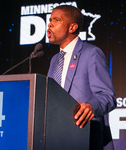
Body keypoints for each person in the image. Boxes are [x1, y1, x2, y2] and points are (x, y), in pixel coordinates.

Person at [47, 5, 116, 150]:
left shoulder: (91, 53)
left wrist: (91, 106)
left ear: (72, 28)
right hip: (56, 138)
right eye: (50, 20)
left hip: (85, 137)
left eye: (56, 20)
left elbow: (108, 97)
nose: (50, 24)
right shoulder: (54, 60)